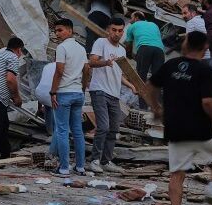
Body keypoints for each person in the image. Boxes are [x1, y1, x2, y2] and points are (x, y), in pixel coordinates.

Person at [145, 31, 212, 205]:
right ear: (205, 49)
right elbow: (208, 102)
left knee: (177, 175)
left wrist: (156, 108)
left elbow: (150, 87)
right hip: (201, 128)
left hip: (176, 129)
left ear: (185, 45)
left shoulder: (170, 65)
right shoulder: (205, 70)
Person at [88, 17, 138, 175]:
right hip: (99, 90)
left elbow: (119, 75)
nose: (117, 33)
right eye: (114, 30)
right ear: (109, 30)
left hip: (114, 94)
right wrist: (106, 62)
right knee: (103, 126)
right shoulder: (101, 43)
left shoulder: (122, 51)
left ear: (123, 31)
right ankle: (94, 161)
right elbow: (91, 62)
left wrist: (130, 85)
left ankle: (106, 161)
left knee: (114, 129)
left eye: (120, 30)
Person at [49, 19, 88, 176]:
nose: (57, 34)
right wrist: (83, 88)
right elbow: (87, 70)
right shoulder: (81, 48)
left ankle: (64, 168)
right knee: (78, 131)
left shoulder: (62, 47)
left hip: (64, 92)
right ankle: (80, 167)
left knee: (62, 131)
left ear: (70, 31)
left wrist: (52, 92)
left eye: (60, 30)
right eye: (56, 31)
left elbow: (59, 71)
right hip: (78, 93)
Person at [124, 11, 166, 111]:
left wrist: (129, 54)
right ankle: (158, 108)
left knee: (140, 78)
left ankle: (143, 108)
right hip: (159, 50)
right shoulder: (154, 25)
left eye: (131, 18)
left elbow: (128, 44)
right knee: (158, 79)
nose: (130, 21)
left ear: (136, 17)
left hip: (144, 48)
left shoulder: (132, 26)